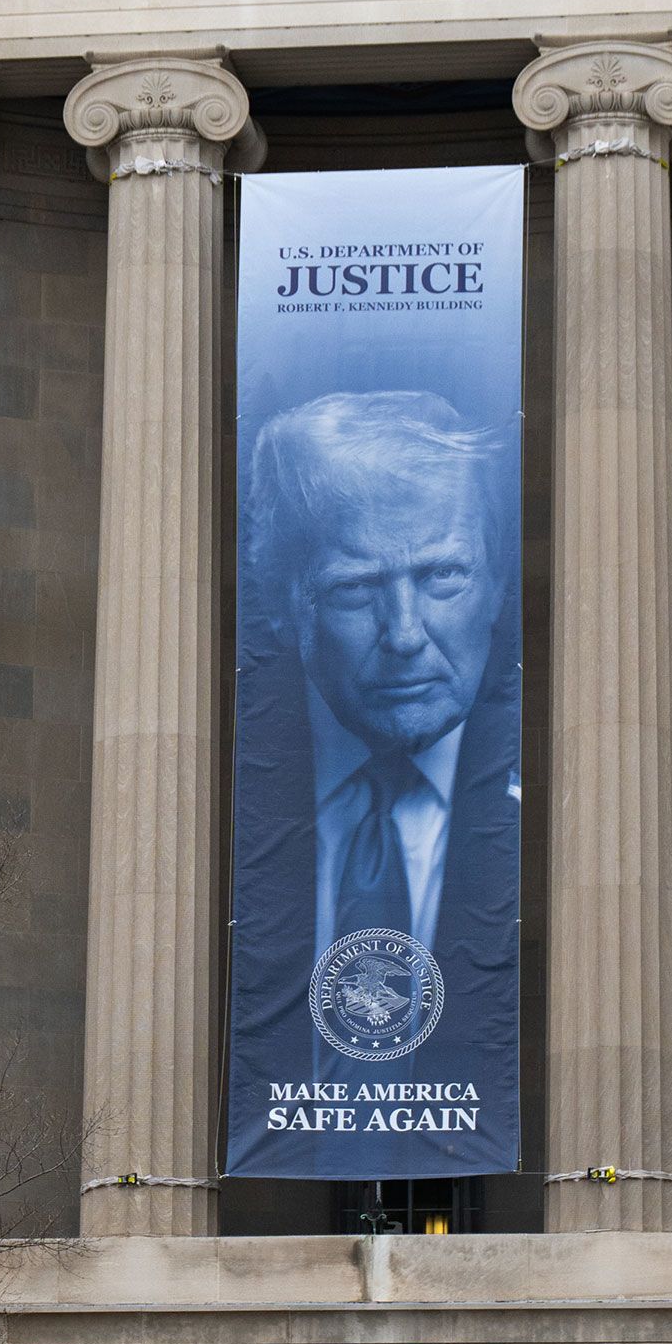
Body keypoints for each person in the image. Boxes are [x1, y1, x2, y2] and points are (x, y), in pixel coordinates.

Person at [230, 389, 520, 1176]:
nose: (404, 635)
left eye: (443, 577)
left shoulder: (542, 790)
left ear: (496, 586)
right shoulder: (240, 781)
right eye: (357, 588)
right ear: (287, 607)